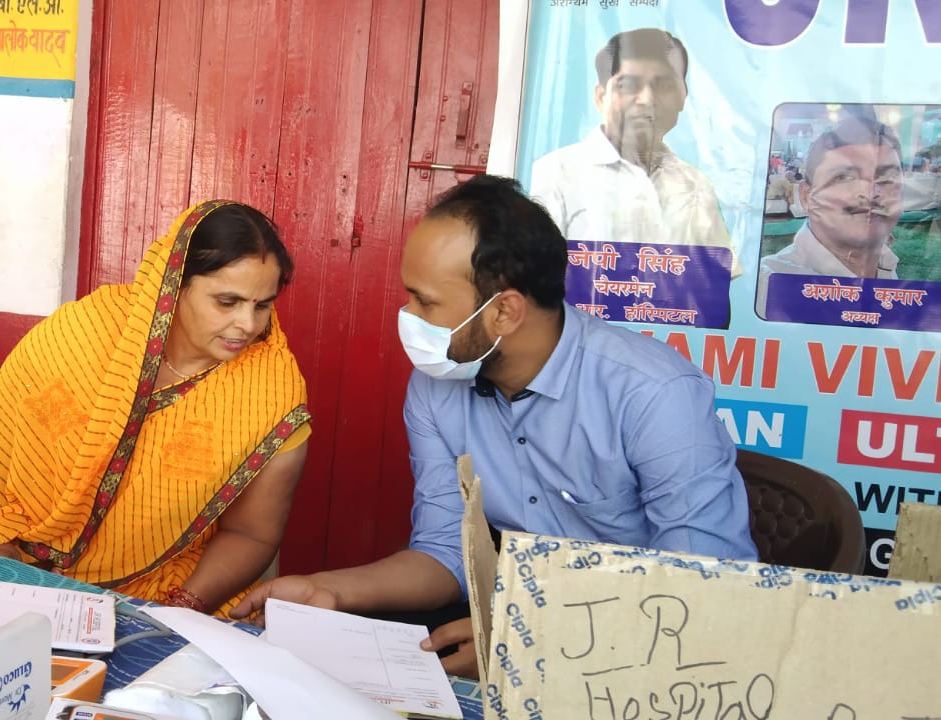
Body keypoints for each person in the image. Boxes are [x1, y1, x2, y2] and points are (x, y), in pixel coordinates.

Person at [232, 175, 756, 677]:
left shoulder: (654, 394)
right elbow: (445, 552)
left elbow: (702, 586)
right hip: (511, 624)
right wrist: (331, 591)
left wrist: (525, 643)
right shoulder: (437, 387)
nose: (407, 315)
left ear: (504, 311)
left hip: (647, 655)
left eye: (425, 301)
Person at [0, 201, 311, 616]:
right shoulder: (82, 333)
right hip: (21, 563)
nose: (248, 325)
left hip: (167, 582)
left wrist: (179, 609)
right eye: (227, 302)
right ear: (174, 283)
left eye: (262, 305)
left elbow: (252, 534)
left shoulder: (271, 390)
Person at [529, 28, 740, 277]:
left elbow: (716, 280)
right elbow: (535, 277)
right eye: (629, 85)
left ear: (682, 98)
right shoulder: (557, 172)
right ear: (601, 97)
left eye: (664, 86)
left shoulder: (695, 184)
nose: (647, 99)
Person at [759, 114, 904, 308]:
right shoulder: (768, 288)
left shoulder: (885, 266)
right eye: (844, 177)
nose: (870, 193)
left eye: (887, 178)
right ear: (806, 196)